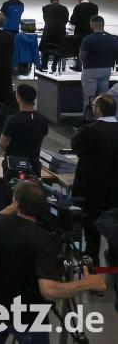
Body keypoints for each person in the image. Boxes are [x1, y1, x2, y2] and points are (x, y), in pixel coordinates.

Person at [0, 182, 106, 344]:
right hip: (29, 317)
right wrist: (86, 284)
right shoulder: (44, 241)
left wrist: (10, 208)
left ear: (17, 203)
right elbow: (49, 290)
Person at [71, 94, 118, 267]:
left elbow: (77, 148)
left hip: (90, 190)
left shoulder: (88, 131)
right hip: (115, 192)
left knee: (91, 230)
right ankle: (113, 261)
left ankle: (92, 264)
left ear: (98, 110)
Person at [0, 85, 48, 181]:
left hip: (13, 165)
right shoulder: (43, 120)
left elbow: (3, 143)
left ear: (19, 98)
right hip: (34, 165)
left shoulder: (12, 120)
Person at [80, 16, 118, 122]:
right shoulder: (113, 38)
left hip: (91, 70)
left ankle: (87, 120)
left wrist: (85, 65)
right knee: (103, 97)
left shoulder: (88, 39)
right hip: (106, 70)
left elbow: (82, 55)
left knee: (89, 97)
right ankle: (103, 119)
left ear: (92, 24)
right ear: (103, 24)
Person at [40, 0, 69, 72]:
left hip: (49, 30)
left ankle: (44, 65)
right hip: (60, 31)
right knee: (58, 48)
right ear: (58, 0)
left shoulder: (45, 7)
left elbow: (45, 19)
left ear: (50, 1)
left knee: (46, 47)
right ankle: (54, 65)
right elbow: (66, 20)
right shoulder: (64, 8)